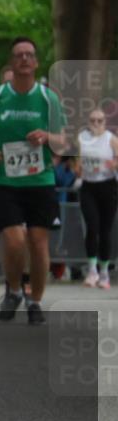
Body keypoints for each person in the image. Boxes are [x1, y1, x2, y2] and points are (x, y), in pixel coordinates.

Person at [0, 37, 67, 325]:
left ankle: (35, 300)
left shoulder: (49, 99)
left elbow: (63, 141)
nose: (24, 59)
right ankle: (13, 289)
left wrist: (47, 137)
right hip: (5, 180)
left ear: (36, 63)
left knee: (38, 243)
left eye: (29, 55)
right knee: (14, 241)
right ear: (12, 64)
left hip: (40, 180)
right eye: (18, 55)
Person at [75, 108, 117, 289]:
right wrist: (78, 168)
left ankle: (105, 273)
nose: (96, 124)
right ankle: (92, 271)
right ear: (88, 121)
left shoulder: (111, 139)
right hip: (89, 187)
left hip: (108, 186)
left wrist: (113, 163)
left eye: (100, 120)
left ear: (105, 122)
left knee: (105, 230)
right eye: (93, 120)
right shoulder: (81, 139)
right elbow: (75, 162)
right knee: (92, 227)